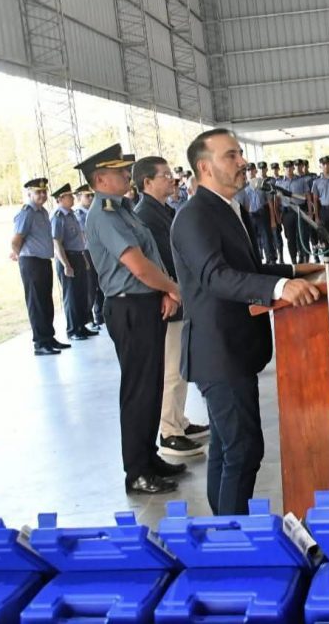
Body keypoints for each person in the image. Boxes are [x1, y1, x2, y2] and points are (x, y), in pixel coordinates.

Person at [170, 128, 322, 515]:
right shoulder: (195, 216)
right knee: (243, 450)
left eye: (240, 154)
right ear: (205, 167)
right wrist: (280, 287)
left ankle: (223, 529)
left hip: (233, 348)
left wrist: (294, 271)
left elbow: (247, 268)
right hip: (218, 351)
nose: (243, 162)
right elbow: (216, 276)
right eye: (231, 156)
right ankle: (233, 536)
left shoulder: (226, 208)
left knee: (227, 448)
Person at [81, 144, 185, 496]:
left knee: (151, 386)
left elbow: (150, 257)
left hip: (146, 302)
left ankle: (148, 458)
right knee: (138, 390)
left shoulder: (123, 209)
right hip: (129, 308)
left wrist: (164, 292)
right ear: (100, 179)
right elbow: (138, 266)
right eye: (120, 172)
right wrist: (174, 289)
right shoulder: (104, 214)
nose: (128, 175)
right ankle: (137, 472)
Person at [132, 155, 209, 460]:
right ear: (147, 182)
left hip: (180, 294)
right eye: (164, 175)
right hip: (168, 298)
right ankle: (169, 432)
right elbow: (157, 261)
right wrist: (170, 290)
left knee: (180, 365)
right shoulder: (145, 215)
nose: (172, 180)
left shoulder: (163, 210)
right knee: (171, 369)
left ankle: (179, 420)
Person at [11, 177, 68, 356]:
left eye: (44, 192)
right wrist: (18, 254)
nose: (42, 195)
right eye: (38, 192)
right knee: (36, 303)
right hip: (31, 261)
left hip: (43, 260)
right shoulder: (27, 213)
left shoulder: (42, 212)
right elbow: (16, 239)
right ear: (29, 193)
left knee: (46, 301)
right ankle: (40, 342)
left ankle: (49, 338)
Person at [50, 183, 96, 341]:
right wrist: (66, 264)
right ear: (60, 199)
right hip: (67, 257)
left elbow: (79, 240)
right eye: (69, 196)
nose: (72, 198)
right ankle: (73, 329)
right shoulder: (58, 216)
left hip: (78, 255)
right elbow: (57, 243)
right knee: (71, 296)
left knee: (81, 293)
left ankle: (81, 326)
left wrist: (84, 259)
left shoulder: (71, 214)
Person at [74, 184, 104, 328]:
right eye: (87, 196)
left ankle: (100, 315)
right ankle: (88, 319)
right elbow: (83, 235)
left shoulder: (95, 211)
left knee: (100, 283)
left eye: (92, 195)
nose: (91, 198)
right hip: (86, 251)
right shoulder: (78, 214)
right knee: (90, 286)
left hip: (98, 250)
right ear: (79, 197)